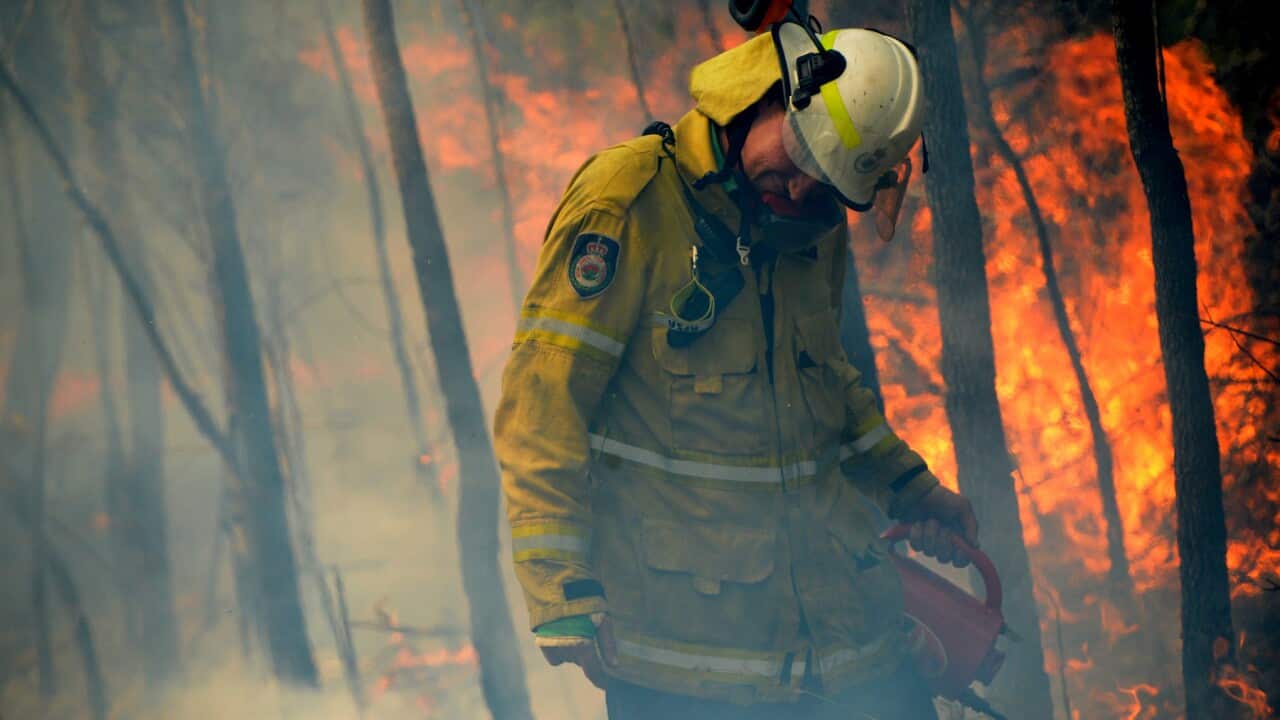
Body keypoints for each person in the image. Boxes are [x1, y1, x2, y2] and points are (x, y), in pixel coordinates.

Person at [494, 19, 979, 720]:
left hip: (845, 644)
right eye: (797, 156)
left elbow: (826, 380)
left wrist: (909, 486)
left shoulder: (810, 226)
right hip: (689, 664)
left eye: (822, 184)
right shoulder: (629, 199)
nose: (795, 190)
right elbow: (544, 399)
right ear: (774, 96)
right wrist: (560, 589)